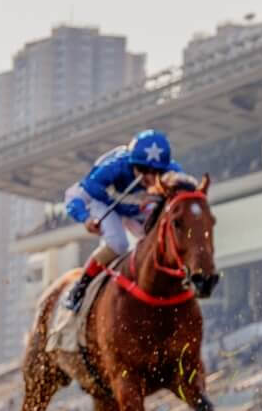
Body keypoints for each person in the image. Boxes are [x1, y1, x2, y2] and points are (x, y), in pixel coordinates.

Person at [61, 129, 181, 311]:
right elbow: (74, 196)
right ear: (132, 164)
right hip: (105, 203)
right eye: (142, 170)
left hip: (134, 210)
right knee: (118, 244)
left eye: (156, 172)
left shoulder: (173, 172)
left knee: (161, 237)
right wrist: (85, 218)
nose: (149, 178)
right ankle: (79, 288)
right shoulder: (113, 168)